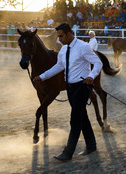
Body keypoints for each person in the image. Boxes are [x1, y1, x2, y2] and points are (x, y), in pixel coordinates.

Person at [33, 23, 103, 161]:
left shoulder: (83, 47)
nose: (59, 39)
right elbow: (58, 66)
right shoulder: (64, 50)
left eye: (61, 36)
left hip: (82, 87)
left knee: (75, 119)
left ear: (69, 34)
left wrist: (91, 76)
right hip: (70, 88)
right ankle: (91, 145)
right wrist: (42, 77)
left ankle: (68, 152)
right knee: (82, 116)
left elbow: (98, 63)